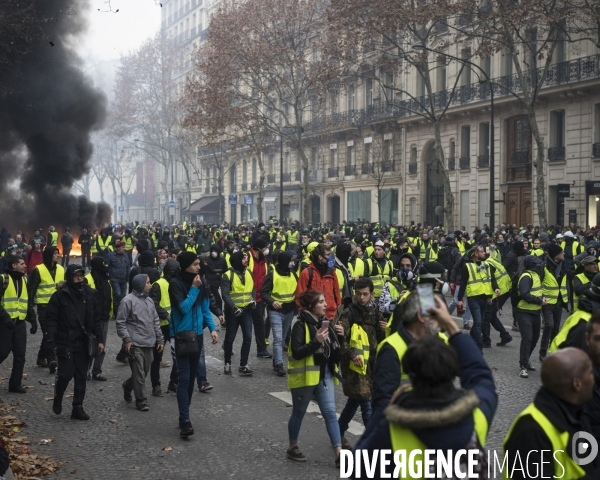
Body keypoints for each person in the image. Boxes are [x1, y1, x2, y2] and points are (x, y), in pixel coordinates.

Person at [354, 297, 498, 478]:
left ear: (412, 377)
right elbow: (481, 376)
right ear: (452, 371)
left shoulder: (391, 429)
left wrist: (387, 413)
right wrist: (453, 329)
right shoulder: (476, 415)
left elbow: (357, 466)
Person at [503, 348, 599, 479]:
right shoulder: (530, 432)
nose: (594, 379)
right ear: (577, 384)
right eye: (590, 373)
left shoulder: (577, 412)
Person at [287, 289, 344, 466]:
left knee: (330, 413)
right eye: (321, 302)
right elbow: (297, 352)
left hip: (324, 373)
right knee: (299, 412)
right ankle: (292, 446)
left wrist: (340, 337)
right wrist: (316, 341)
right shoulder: (300, 323)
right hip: (305, 377)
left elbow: (333, 349)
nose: (325, 305)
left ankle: (339, 454)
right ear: (312, 306)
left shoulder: (324, 322)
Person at [169, 252, 219, 437]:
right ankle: (185, 420)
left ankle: (185, 414)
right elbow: (183, 308)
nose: (199, 267)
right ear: (185, 265)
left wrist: (212, 328)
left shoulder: (200, 281)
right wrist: (194, 289)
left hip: (197, 335)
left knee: (191, 380)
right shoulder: (176, 284)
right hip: (181, 336)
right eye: (195, 264)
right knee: (184, 377)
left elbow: (205, 309)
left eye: (199, 264)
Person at [46, 265, 104, 420]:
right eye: (76, 276)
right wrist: (50, 340)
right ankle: (58, 396)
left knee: (81, 376)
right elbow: (51, 319)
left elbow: (96, 319)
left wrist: (100, 339)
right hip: (66, 341)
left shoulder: (90, 295)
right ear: (69, 277)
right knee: (65, 374)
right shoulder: (59, 296)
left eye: (81, 276)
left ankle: (77, 407)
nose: (79, 279)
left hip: (83, 341)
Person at [336, 278, 384, 450]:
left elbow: (380, 338)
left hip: (370, 364)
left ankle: (338, 432)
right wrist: (352, 354)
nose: (361, 298)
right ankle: (373, 442)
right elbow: (341, 341)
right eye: (358, 294)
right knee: (365, 401)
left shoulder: (377, 311)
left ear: (372, 294)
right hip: (353, 365)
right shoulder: (348, 312)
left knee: (354, 400)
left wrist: (384, 329)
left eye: (365, 294)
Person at [117, 274, 164, 412]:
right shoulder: (127, 301)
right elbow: (121, 322)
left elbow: (155, 321)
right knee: (139, 374)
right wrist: (127, 339)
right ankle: (141, 400)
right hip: (135, 344)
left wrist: (160, 338)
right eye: (148, 283)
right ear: (140, 284)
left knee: (143, 373)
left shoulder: (149, 301)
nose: (150, 285)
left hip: (149, 343)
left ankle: (127, 385)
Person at [0, 255, 37, 393]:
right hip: (5, 324)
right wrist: (6, 319)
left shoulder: (24, 280)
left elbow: (26, 302)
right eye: (22, 264)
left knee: (20, 355)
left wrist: (33, 320)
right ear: (14, 265)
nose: (24, 266)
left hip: (20, 323)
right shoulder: (3, 279)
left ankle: (15, 384)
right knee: (3, 352)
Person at [261, 251, 298, 376]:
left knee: (282, 338)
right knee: (277, 338)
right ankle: (279, 364)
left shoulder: (293, 274)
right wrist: (272, 302)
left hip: (289, 311)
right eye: (290, 260)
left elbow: (298, 291)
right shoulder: (272, 275)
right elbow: (264, 293)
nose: (293, 263)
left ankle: (276, 360)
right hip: (275, 311)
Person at [457, 245, 500, 352]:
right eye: (481, 252)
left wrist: (495, 290)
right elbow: (463, 284)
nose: (484, 253)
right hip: (473, 298)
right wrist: (459, 299)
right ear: (475, 254)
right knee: (478, 323)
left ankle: (470, 341)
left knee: (479, 323)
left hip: (485, 298)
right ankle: (478, 346)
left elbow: (491, 280)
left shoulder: (487, 265)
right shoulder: (467, 267)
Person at [28, 246, 64, 373]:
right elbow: (31, 290)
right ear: (49, 255)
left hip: (58, 307)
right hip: (44, 307)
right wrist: (30, 308)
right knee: (48, 333)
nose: (58, 255)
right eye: (55, 253)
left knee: (50, 333)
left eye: (58, 253)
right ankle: (51, 360)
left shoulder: (61, 269)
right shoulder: (38, 270)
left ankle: (41, 357)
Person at [221, 251, 256, 375]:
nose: (246, 260)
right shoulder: (227, 275)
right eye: (243, 258)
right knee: (230, 337)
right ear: (237, 260)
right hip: (233, 312)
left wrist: (253, 300)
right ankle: (227, 363)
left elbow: (252, 288)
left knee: (248, 337)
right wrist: (233, 307)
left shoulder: (248, 272)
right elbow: (225, 294)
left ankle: (243, 364)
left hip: (246, 310)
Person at [150, 259, 180, 395]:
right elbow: (153, 304)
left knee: (178, 356)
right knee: (156, 358)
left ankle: (173, 383)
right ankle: (156, 385)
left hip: (174, 326)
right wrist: (165, 315)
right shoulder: (158, 285)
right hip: (161, 327)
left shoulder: (177, 283)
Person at [516, 255, 546, 378]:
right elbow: (525, 294)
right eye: (538, 264)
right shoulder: (526, 276)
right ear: (533, 265)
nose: (540, 265)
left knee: (534, 339)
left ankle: (526, 360)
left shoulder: (536, 275)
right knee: (527, 338)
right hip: (524, 311)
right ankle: (523, 366)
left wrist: (542, 298)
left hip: (535, 312)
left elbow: (537, 291)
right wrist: (539, 301)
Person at [295, 243, 341, 320]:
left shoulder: (332, 272)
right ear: (320, 257)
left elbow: (337, 294)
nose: (331, 257)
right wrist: (306, 314)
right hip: (313, 316)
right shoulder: (307, 273)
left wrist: (339, 313)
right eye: (328, 255)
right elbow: (299, 296)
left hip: (331, 316)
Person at [539, 244, 568, 361]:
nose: (564, 254)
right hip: (547, 302)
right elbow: (537, 284)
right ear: (556, 255)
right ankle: (542, 352)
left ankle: (552, 351)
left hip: (559, 302)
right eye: (562, 252)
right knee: (549, 325)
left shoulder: (563, 265)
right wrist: (540, 298)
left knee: (556, 328)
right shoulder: (544, 266)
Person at [85, 257, 113, 381]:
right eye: (103, 265)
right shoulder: (88, 279)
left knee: (102, 345)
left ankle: (97, 371)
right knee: (90, 345)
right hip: (91, 319)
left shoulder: (106, 280)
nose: (106, 267)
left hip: (104, 317)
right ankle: (86, 370)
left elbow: (109, 297)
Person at [248, 238, 272, 358]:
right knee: (238, 325)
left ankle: (261, 349)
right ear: (258, 249)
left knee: (259, 324)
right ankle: (227, 345)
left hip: (259, 298)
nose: (267, 250)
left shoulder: (265, 261)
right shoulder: (247, 258)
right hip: (246, 298)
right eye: (265, 248)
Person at [107, 241, 131, 315]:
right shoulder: (110, 255)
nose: (124, 249)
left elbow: (128, 267)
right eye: (123, 247)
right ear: (118, 248)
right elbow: (107, 266)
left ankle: (121, 311)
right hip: (114, 279)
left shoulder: (126, 255)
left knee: (123, 296)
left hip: (123, 279)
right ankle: (116, 311)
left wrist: (128, 276)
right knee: (117, 294)